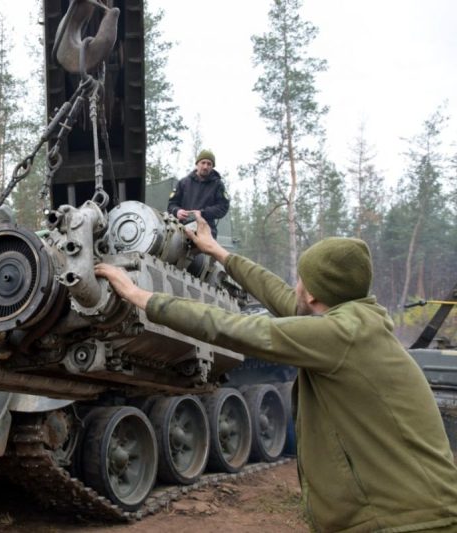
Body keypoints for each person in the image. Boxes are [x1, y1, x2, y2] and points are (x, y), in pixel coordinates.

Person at [95, 212, 457, 533]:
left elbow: (235, 328)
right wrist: (217, 251)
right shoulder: (358, 323)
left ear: (315, 295)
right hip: (409, 512)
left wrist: (141, 297)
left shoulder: (338, 335)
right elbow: (284, 299)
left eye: (300, 279)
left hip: (405, 521)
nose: (295, 286)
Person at [167, 149, 229, 238]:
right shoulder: (183, 183)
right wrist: (177, 211)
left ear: (212, 167)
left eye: (209, 164)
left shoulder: (217, 185)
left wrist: (202, 213)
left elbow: (223, 207)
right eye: (203, 162)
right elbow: (171, 205)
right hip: (182, 231)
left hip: (206, 232)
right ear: (197, 164)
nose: (205, 166)